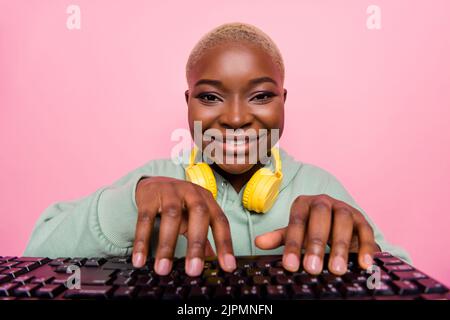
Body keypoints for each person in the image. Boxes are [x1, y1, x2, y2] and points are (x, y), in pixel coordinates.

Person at [25, 22, 410, 278]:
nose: (237, 118)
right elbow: (35, 257)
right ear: (188, 102)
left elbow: (406, 275)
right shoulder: (155, 182)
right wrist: (126, 205)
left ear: (284, 101)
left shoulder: (318, 185)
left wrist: (365, 253)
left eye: (261, 96)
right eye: (210, 96)